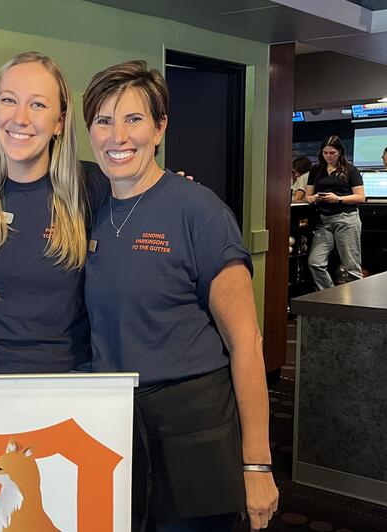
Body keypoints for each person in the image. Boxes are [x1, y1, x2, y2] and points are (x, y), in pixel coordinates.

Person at [82, 60, 278, 532]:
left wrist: (258, 465)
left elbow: (246, 344)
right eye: (103, 121)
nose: (117, 136)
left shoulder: (200, 212)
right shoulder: (88, 205)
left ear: (160, 127)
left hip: (192, 421)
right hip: (114, 419)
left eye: (133, 119)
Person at [0, 51, 93, 375]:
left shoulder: (92, 187)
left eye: (38, 104)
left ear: (59, 121)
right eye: (8, 100)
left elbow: (151, 200)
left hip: (69, 380)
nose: (20, 118)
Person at [304, 135, 365, 290]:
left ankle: (357, 305)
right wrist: (314, 198)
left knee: (351, 266)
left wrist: (338, 199)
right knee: (315, 262)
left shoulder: (350, 169)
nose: (329, 156)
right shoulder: (316, 170)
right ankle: (329, 295)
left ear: (340, 152)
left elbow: (360, 197)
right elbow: (308, 195)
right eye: (325, 153)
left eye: (332, 153)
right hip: (324, 221)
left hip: (346, 218)